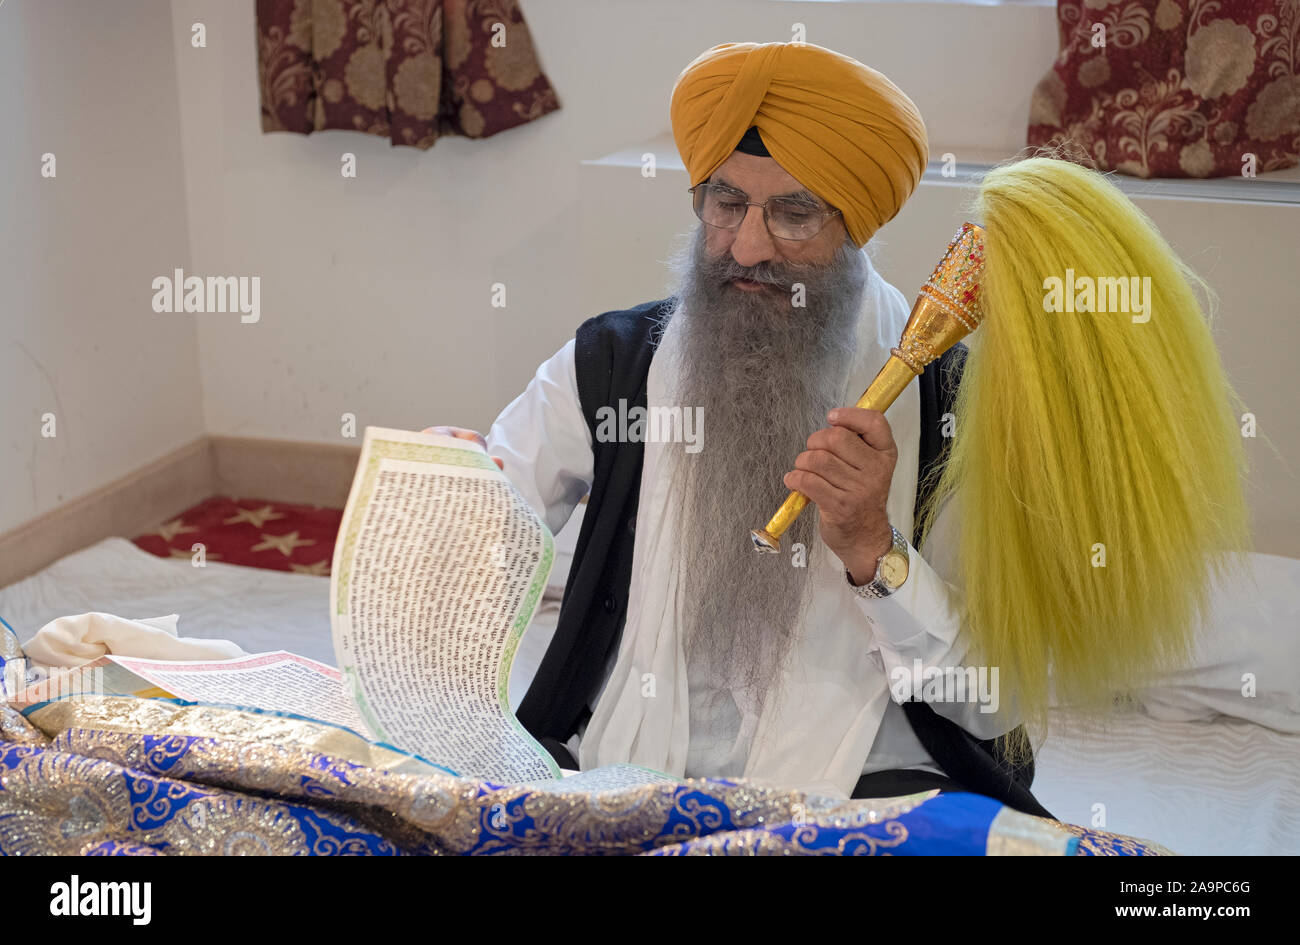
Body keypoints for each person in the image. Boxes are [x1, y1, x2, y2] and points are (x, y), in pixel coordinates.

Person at [430, 41, 1050, 816]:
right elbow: (486, 528)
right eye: (725, 203)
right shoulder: (612, 367)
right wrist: (445, 497)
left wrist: (872, 549)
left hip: (864, 788)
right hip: (625, 765)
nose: (748, 247)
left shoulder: (953, 413)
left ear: (855, 224)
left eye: (793, 212)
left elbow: (996, 701)